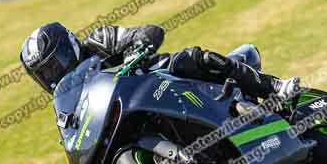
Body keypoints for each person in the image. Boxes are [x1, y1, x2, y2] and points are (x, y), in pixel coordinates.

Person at [19, 22, 301, 103]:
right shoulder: (70, 99)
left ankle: (273, 86)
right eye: (44, 74)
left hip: (159, 77)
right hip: (133, 107)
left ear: (67, 47)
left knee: (195, 58)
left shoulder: (99, 40)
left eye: (53, 65)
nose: (52, 75)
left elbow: (148, 32)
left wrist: (137, 49)